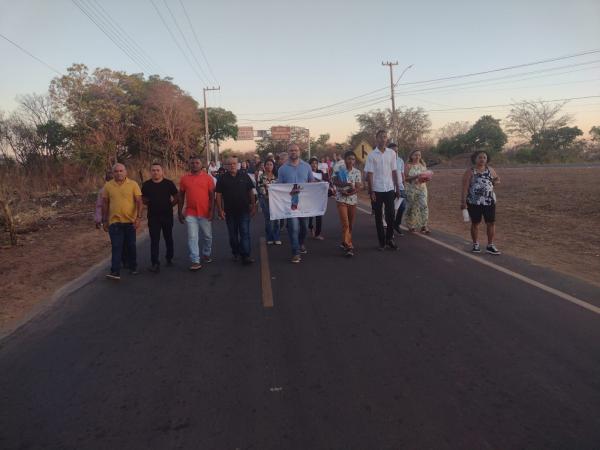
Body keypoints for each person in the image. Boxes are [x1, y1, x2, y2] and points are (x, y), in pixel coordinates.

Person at [101, 163, 143, 280]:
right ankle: (115, 271)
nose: (119, 173)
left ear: (126, 172)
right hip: (114, 222)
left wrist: (138, 218)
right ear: (113, 173)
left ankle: (133, 267)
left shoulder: (133, 184)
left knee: (131, 246)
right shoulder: (108, 186)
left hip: (130, 222)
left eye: (121, 171)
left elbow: (139, 202)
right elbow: (105, 203)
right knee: (116, 246)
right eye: (116, 171)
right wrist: (104, 220)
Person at [215, 156, 257, 264]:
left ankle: (246, 255)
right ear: (226, 166)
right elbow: (218, 195)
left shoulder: (244, 176)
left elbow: (250, 192)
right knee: (233, 236)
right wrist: (220, 210)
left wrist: (253, 206)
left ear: (238, 164)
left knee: (245, 233)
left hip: (244, 211)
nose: (232, 165)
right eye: (229, 164)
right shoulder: (222, 178)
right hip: (230, 212)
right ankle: (235, 252)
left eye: (234, 163)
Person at [276, 143, 314, 263]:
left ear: (299, 152)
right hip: (290, 204)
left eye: (295, 150)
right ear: (288, 152)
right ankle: (295, 252)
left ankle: (301, 243)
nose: (293, 152)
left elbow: (311, 182)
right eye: (291, 150)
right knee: (293, 228)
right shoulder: (282, 169)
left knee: (304, 227)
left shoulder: (307, 166)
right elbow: (280, 186)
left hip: (304, 204)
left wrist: (320, 186)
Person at [364, 130, 400, 250]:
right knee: (378, 217)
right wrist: (371, 191)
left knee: (391, 215)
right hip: (377, 190)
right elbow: (370, 174)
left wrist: (398, 188)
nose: (383, 139)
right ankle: (382, 242)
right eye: (380, 137)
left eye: (385, 137)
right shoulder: (371, 155)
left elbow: (394, 171)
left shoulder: (392, 153)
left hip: (389, 188)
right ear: (376, 139)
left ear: (387, 139)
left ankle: (389, 239)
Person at [178, 155, 215, 271]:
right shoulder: (184, 179)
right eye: (192, 163)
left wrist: (212, 211)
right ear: (189, 164)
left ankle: (206, 253)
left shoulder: (208, 178)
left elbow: (212, 196)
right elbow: (181, 195)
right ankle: (195, 260)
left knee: (208, 236)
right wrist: (180, 212)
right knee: (193, 237)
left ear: (201, 165)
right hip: (190, 213)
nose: (194, 165)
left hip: (205, 212)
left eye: (197, 163)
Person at [461, 150, 501, 255]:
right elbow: (465, 187)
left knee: (491, 223)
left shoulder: (490, 170)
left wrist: (496, 181)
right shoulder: (470, 171)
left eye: (484, 157)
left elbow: (495, 181)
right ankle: (475, 244)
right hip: (474, 202)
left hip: (489, 200)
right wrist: (463, 202)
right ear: (475, 159)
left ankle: (490, 245)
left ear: (487, 159)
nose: (482, 159)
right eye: (480, 157)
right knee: (475, 223)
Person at [142, 162, 178, 273]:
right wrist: (148, 202)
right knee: (154, 240)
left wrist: (170, 205)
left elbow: (176, 196)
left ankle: (169, 258)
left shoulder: (169, 184)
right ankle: (155, 263)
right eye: (153, 170)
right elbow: (143, 198)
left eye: (158, 170)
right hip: (153, 217)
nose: (155, 172)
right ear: (150, 172)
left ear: (162, 172)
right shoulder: (146, 185)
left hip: (167, 216)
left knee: (168, 238)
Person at [332, 151, 362, 257]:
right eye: (349, 158)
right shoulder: (339, 170)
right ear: (345, 159)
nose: (351, 161)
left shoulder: (357, 172)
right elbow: (334, 182)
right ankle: (349, 246)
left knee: (350, 224)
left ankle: (344, 241)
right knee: (345, 223)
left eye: (353, 159)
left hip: (352, 200)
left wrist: (350, 192)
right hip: (341, 199)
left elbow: (358, 187)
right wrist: (344, 186)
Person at [404, 149, 430, 234]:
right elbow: (405, 179)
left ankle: (424, 225)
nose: (417, 157)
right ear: (411, 156)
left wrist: (426, 178)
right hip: (411, 189)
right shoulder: (408, 166)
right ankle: (411, 225)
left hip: (422, 189)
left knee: (424, 206)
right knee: (411, 207)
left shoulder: (423, 165)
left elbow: (426, 177)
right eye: (415, 155)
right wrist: (416, 176)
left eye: (419, 155)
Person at [257, 159, 281, 245]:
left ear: (273, 166)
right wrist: (266, 192)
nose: (269, 166)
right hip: (265, 200)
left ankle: (277, 237)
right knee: (268, 219)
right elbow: (259, 187)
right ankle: (270, 237)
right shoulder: (261, 176)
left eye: (271, 164)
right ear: (265, 166)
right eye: (267, 164)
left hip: (276, 201)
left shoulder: (277, 176)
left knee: (276, 219)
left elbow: (280, 188)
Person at [388, 143, 407, 236]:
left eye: (396, 151)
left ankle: (396, 224)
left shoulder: (400, 161)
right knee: (391, 209)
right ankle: (390, 229)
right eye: (393, 151)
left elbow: (402, 174)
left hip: (400, 187)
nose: (395, 152)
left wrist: (404, 184)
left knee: (402, 206)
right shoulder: (386, 161)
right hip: (390, 187)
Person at [308, 157, 326, 240]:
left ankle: (318, 234)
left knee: (319, 215)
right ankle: (311, 227)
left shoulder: (320, 172)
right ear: (310, 164)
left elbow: (326, 181)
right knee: (310, 215)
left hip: (319, 197)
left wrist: (322, 182)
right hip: (309, 197)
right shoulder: (307, 173)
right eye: (312, 163)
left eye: (316, 163)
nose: (314, 165)